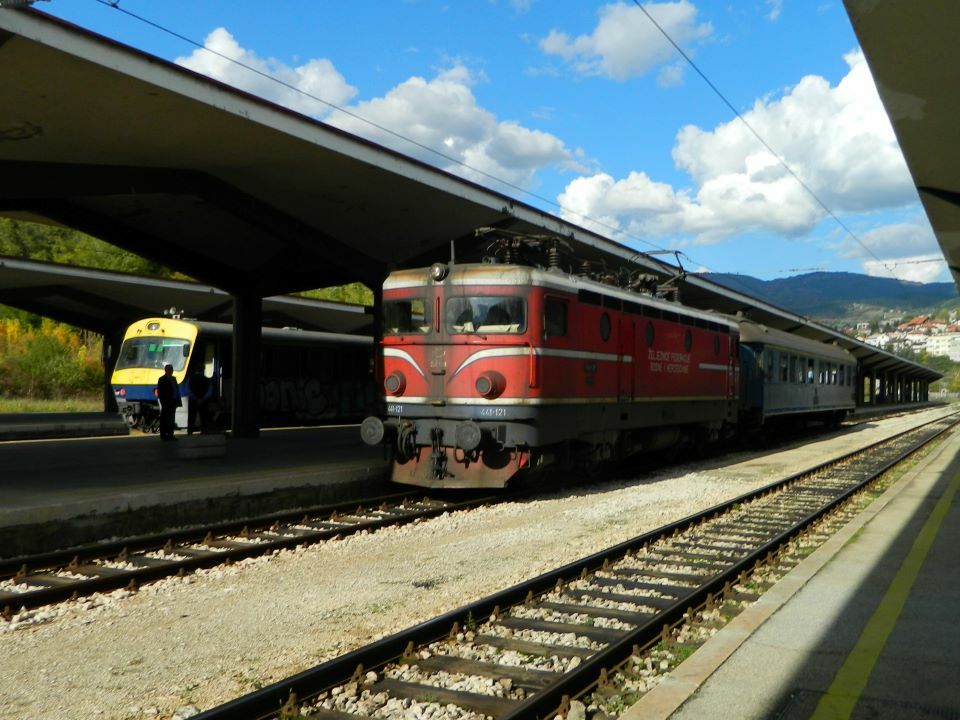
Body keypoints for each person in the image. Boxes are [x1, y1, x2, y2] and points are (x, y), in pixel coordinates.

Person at [156, 364, 182, 441]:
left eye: (172, 369)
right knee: (165, 419)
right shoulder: (162, 379)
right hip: (166, 402)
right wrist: (163, 402)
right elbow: (160, 392)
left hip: (173, 401)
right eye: (170, 369)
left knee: (171, 419)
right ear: (166, 370)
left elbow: (176, 390)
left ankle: (170, 434)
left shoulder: (174, 378)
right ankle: (163, 435)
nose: (171, 371)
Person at [186, 369, 212, 435]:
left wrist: (195, 398)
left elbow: (188, 390)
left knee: (191, 416)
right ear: (203, 370)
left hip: (193, 401)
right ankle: (204, 430)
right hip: (203, 401)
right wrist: (202, 399)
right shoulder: (206, 379)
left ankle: (190, 431)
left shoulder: (190, 379)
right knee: (204, 416)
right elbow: (210, 391)